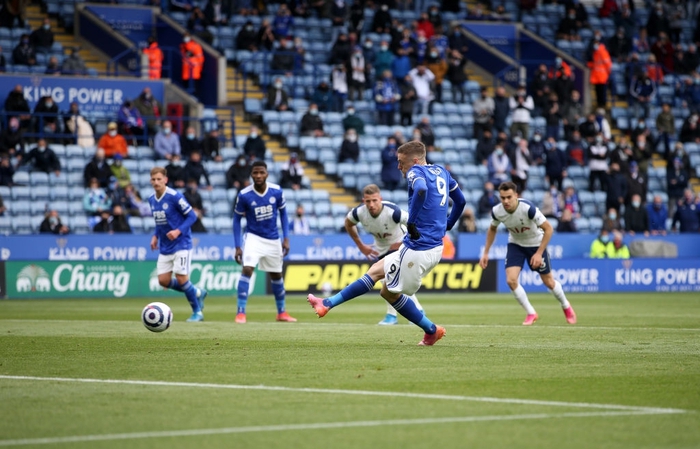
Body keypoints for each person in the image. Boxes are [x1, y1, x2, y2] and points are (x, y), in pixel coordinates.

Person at [307, 141, 467, 346]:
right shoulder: (441, 171)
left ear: (415, 161)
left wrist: (411, 222)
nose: (399, 167)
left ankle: (432, 330)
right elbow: (460, 201)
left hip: (419, 249)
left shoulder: (415, 171)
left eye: (401, 162)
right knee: (374, 271)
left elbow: (420, 189)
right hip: (423, 246)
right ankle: (326, 303)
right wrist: (449, 224)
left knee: (389, 293)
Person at [479, 181, 577, 326]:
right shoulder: (497, 211)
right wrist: (486, 252)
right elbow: (492, 229)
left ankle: (566, 306)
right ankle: (531, 312)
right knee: (511, 280)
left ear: (516, 196)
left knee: (549, 282)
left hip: (536, 244)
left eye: (509, 197)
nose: (505, 201)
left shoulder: (528, 209)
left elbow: (549, 229)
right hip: (516, 244)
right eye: (502, 197)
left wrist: (539, 253)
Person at [344, 183, 426, 326]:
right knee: (390, 283)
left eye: (374, 200)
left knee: (392, 281)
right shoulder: (359, 213)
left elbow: (413, 223)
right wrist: (361, 246)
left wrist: (406, 242)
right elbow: (348, 223)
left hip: (400, 246)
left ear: (380, 199)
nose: (371, 204)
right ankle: (414, 312)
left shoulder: (393, 212)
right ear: (363, 201)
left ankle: (394, 315)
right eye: (368, 201)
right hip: (381, 249)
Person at [233, 161, 297, 324]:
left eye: (262, 172)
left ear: (267, 174)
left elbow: (283, 214)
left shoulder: (276, 191)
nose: (259, 176)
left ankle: (281, 312)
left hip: (273, 239)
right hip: (253, 237)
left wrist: (286, 238)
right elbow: (236, 220)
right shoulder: (244, 194)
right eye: (255, 173)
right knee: (247, 269)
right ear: (251, 174)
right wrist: (237, 246)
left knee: (276, 274)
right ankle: (241, 312)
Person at [148, 166, 208, 322]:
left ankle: (197, 312)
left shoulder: (175, 196)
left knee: (182, 279)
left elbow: (192, 217)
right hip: (165, 246)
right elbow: (159, 221)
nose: (156, 182)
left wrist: (178, 231)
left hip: (181, 243)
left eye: (159, 179)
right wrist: (155, 236)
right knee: (163, 281)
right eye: (153, 179)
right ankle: (197, 292)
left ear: (165, 180)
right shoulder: (151, 199)